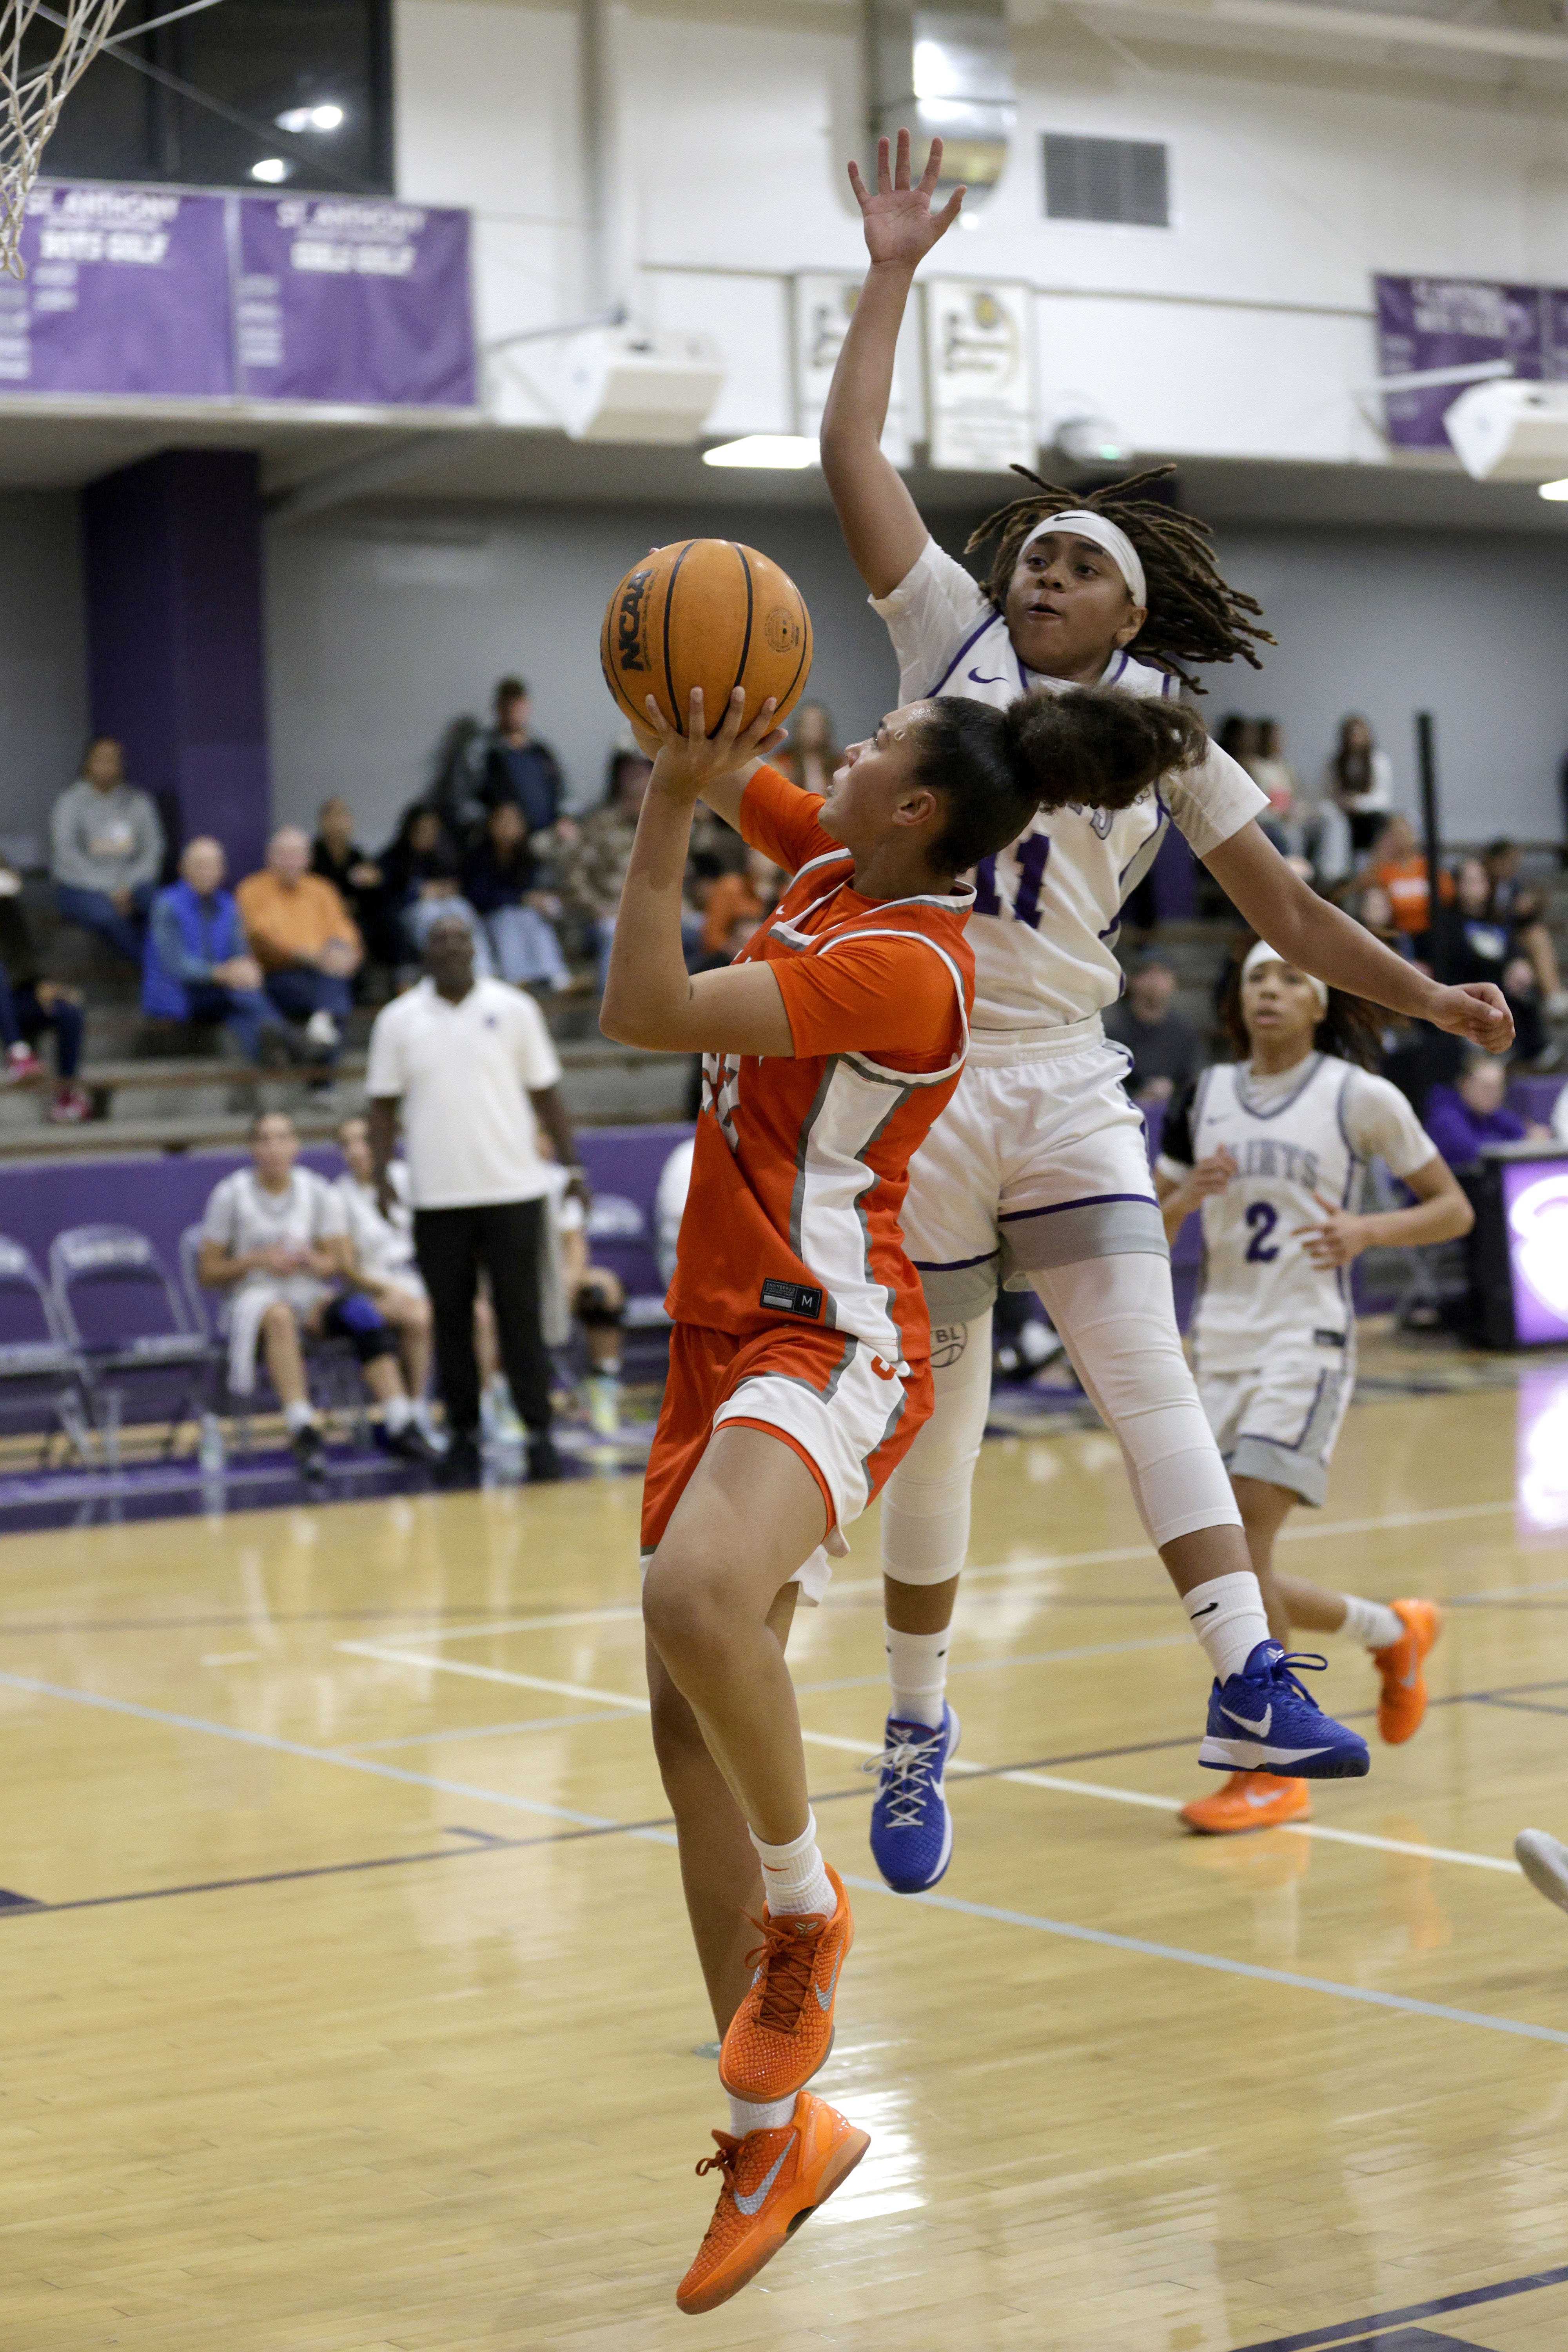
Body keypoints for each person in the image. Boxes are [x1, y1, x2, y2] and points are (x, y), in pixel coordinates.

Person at [818, 129, 1514, 1901]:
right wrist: (891, 272)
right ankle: (914, 1721)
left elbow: (1279, 911)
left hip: (1053, 1077)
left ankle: (1251, 1674)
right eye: (1030, 558)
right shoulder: (944, 643)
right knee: (940, 1426)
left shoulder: (1168, 728)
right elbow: (849, 457)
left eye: (1072, 565)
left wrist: (1418, 987)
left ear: (1129, 609)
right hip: (908, 1074)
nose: (1038, 576)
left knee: (1144, 1381)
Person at [608, 667, 1224, 2314]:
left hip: (829, 1336)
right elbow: (738, 762)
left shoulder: (906, 959)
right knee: (684, 1733)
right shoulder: (838, 865)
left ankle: (806, 1921)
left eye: (877, 747)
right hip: (710, 1338)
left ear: (918, 811)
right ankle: (766, 2131)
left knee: (688, 1603)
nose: (849, 746)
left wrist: (666, 805)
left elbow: (648, 1010)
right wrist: (683, 717)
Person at [1154, 942, 1473, 1833]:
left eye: (1290, 977)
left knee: (1242, 1543)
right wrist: (1183, 1199)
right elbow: (1150, 1215)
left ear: (1322, 1001)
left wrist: (1368, 1230)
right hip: (1216, 1345)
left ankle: (1268, 1769)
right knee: (1221, 1570)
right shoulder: (1203, 1096)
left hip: (1306, 1344)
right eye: (1256, 975)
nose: (1269, 989)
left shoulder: (1357, 1096)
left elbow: (1452, 1207)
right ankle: (1391, 1630)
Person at [365, 913, 585, 1487]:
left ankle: (538, 1432)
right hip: (437, 1196)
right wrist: (383, 1172)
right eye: (439, 940)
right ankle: (463, 1434)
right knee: (452, 1319)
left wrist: (573, 1163)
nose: (451, 948)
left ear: (475, 949)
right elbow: (383, 1104)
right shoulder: (398, 1020)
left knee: (521, 1316)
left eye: (461, 939)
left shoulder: (514, 1008)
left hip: (514, 1189)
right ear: (425, 952)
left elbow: (547, 1092)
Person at [198, 1111, 436, 1479]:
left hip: (307, 1293)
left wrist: (311, 1260)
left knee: (359, 1312)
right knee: (279, 1316)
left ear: (296, 1146)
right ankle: (303, 1428)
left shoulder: (316, 1190)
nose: (274, 1147)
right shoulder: (231, 1194)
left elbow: (335, 1263)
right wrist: (256, 1259)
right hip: (254, 1298)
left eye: (282, 1138)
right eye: (265, 1139)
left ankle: (401, 1420)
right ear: (252, 1148)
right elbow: (208, 1271)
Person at [143, 837, 292, 1065]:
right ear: (183, 869)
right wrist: (221, 973)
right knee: (241, 996)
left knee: (241, 1003)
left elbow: (239, 951)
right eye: (200, 865)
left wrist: (246, 969)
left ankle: (269, 1055)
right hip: (179, 993)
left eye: (213, 865)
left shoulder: (228, 904)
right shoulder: (167, 905)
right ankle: (292, 1041)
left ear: (222, 870)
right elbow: (174, 964)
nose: (207, 872)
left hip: (220, 990)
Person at [334, 1113, 436, 1421]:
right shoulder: (338, 1195)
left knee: (482, 1313)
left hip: (421, 1280)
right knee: (418, 1317)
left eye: (363, 1141)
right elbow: (347, 1267)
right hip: (374, 1289)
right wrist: (385, 1288)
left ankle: (488, 1405)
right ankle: (417, 1410)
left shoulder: (410, 1179)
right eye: (346, 1144)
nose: (356, 1151)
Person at [236, 826, 363, 1062]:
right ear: (269, 857)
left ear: (308, 858)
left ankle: (321, 1025)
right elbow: (260, 939)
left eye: (297, 854)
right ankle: (322, 1079)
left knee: (336, 974)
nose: (290, 862)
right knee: (336, 989)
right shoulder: (252, 890)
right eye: (283, 854)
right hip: (279, 976)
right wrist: (311, 957)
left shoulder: (323, 890)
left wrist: (347, 955)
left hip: (323, 974)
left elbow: (344, 932)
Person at [50, 735, 164, 965]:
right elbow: (67, 855)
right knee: (107, 916)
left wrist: (127, 886)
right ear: (88, 763)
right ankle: (152, 971)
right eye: (101, 759)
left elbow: (153, 850)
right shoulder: (69, 803)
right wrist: (110, 889)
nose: (107, 766)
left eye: (113, 759)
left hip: (132, 884)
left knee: (164, 906)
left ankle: (171, 969)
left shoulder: (139, 802)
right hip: (82, 886)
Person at [1429, 856, 1544, 1062]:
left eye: (1481, 880)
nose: (1477, 886)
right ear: (1458, 886)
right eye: (1470, 881)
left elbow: (1511, 951)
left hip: (1505, 990)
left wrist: (1519, 963)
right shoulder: (1447, 922)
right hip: (1469, 992)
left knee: (1522, 986)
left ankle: (1535, 1052)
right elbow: (1451, 966)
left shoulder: (1498, 918)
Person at [0, 860, 88, 1120]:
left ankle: (67, 1095)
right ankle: (17, 1054)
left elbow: (25, 961)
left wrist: (43, 986)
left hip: (12, 1001)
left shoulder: (9, 911)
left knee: (68, 1012)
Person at [462, 800, 572, 991]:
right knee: (508, 918)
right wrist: (521, 898)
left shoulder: (528, 855)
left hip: (523, 916)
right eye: (502, 821)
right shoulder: (478, 856)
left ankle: (555, 975)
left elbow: (538, 889)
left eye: (514, 821)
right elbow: (479, 896)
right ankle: (516, 979)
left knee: (532, 917)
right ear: (491, 825)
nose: (508, 828)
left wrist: (538, 899)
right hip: (488, 918)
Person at [480, 677, 575, 844]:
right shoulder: (483, 751)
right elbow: (468, 803)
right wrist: (492, 824)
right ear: (498, 707)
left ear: (527, 706)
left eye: (517, 703)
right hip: (501, 845)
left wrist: (564, 819)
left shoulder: (542, 752)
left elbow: (562, 793)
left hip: (545, 840)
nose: (512, 710)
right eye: (507, 703)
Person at [1103, 951, 1204, 1105]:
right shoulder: (1115, 1031)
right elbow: (1105, 1084)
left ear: (1174, 983)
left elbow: (1192, 1082)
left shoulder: (1185, 1033)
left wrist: (1171, 1090)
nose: (1156, 982)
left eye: (1163, 975)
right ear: (1133, 981)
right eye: (1149, 974)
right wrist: (1140, 1094)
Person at [1424, 1051, 1544, 1166]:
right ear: (1464, 1085)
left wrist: (1531, 1138)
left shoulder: (1493, 1114)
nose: (1493, 1094)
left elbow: (1526, 1134)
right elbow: (1470, 1151)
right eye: (1486, 1087)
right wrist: (1521, 1145)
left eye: (1498, 1088)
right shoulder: (1445, 1116)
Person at [310, 799, 384, 947]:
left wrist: (375, 880)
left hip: (355, 917)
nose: (338, 823)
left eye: (343, 816)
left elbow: (368, 893)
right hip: (320, 915)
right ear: (323, 822)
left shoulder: (357, 856)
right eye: (334, 816)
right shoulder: (311, 855)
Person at [1368, 812, 1452, 939]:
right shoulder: (1382, 871)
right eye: (1396, 834)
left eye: (1405, 833)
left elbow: (1448, 896)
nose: (1401, 839)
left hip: (1432, 934)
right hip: (1398, 935)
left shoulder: (1428, 868)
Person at [1323, 713, 1394, 853]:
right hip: (1342, 815)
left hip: (1369, 817)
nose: (1354, 740)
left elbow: (1384, 799)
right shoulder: (1334, 764)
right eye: (1351, 735)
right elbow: (1325, 795)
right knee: (1335, 826)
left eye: (1358, 735)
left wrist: (1357, 803)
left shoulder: (1378, 761)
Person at [773, 701, 843, 795]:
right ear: (797, 728)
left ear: (826, 729)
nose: (812, 730)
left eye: (817, 725)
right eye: (807, 724)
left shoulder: (838, 763)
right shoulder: (783, 761)